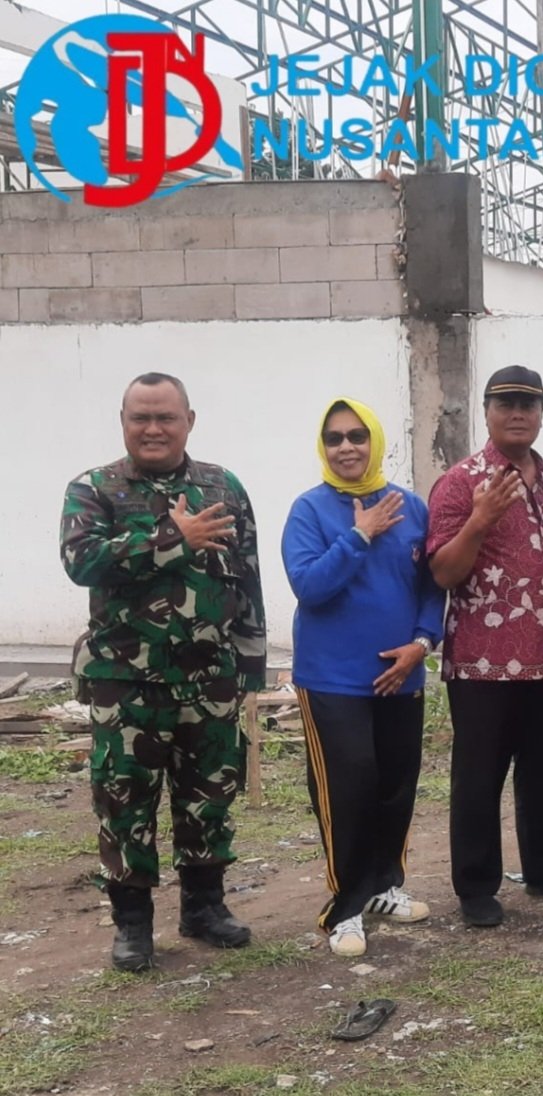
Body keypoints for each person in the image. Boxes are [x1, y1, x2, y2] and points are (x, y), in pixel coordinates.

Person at [60, 373, 266, 972]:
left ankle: (204, 907)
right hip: (125, 680)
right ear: (123, 421)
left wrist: (251, 662)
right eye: (141, 418)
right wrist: (175, 537)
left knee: (209, 796)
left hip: (210, 677)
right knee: (124, 800)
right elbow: (82, 562)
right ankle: (132, 923)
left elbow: (247, 572)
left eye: (165, 418)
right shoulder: (93, 489)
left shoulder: (222, 487)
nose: (153, 429)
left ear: (188, 421)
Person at [427, 365, 543, 928]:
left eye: (529, 404)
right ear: (487, 411)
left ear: (542, 413)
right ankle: (476, 885)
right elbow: (443, 572)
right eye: (506, 403)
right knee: (479, 778)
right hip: (483, 660)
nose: (518, 413)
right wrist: (479, 520)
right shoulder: (460, 482)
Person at [281, 398, 446, 957]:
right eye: (334, 438)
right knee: (348, 787)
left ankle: (384, 886)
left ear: (375, 441)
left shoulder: (412, 507)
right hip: (333, 678)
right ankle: (345, 907)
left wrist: (421, 643)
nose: (346, 447)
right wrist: (359, 535)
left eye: (357, 436)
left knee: (396, 785)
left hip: (402, 674)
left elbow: (431, 587)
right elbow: (310, 587)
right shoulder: (310, 511)